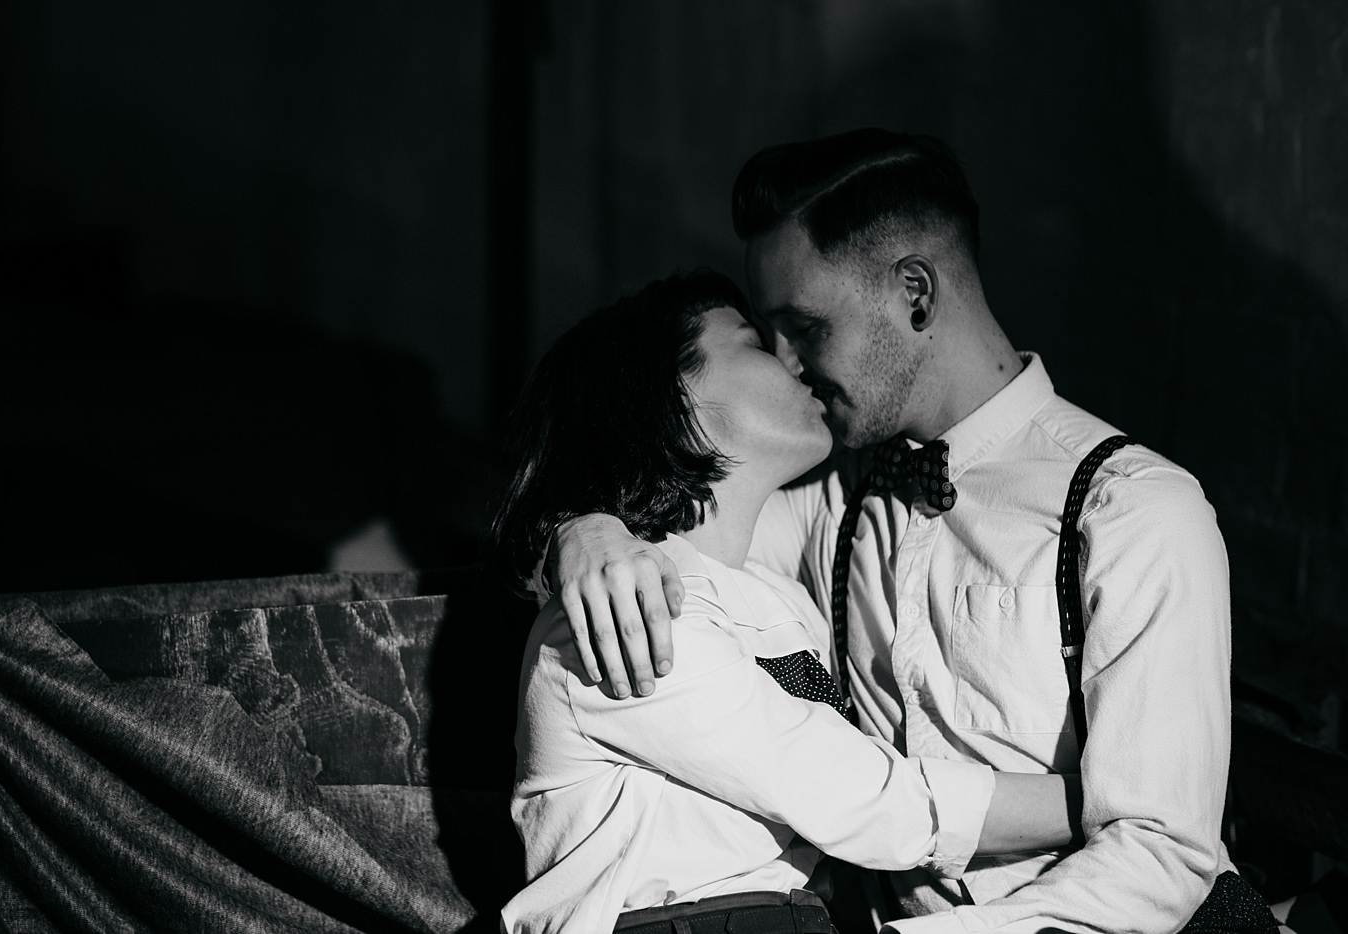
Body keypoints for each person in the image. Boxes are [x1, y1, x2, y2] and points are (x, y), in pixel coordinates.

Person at [545, 130, 1279, 932]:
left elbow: (1160, 860)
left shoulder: (1133, 512)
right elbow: (685, 528)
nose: (789, 362)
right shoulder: (834, 502)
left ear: (916, 297)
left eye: (806, 326)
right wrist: (586, 528)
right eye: (767, 335)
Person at [490, 270, 1078, 934]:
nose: (798, 360)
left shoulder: (777, 590)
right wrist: (1101, 801)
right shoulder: (629, 611)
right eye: (756, 343)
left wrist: (582, 525)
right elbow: (866, 800)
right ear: (671, 399)